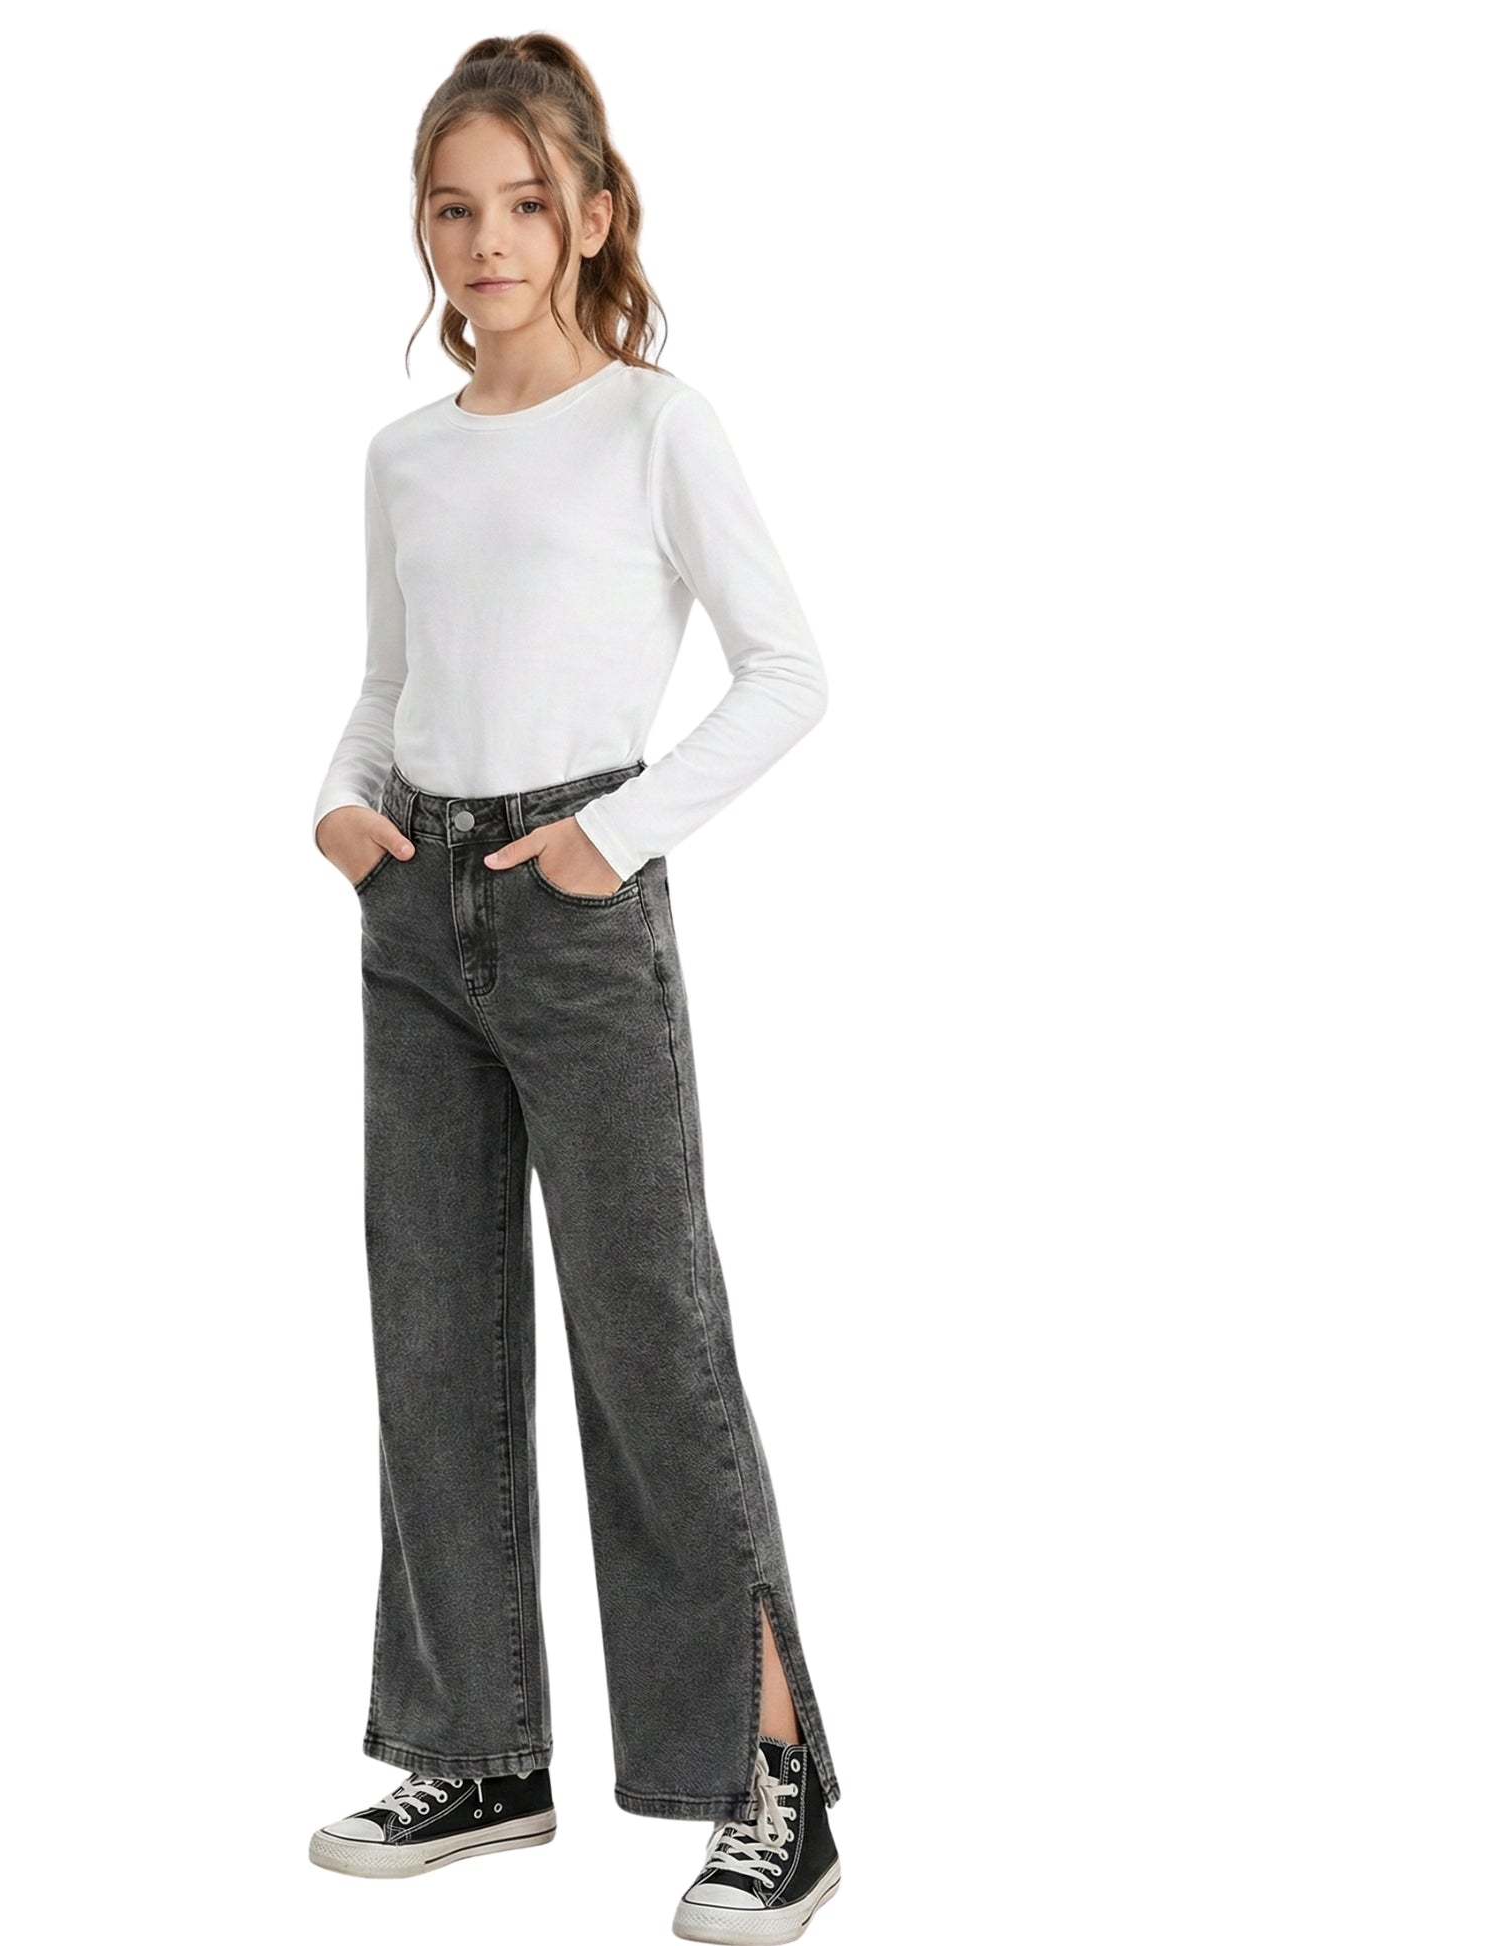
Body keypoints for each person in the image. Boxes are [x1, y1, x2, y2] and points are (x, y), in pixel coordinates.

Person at [305, 33, 843, 1943]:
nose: (487, 240)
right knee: (434, 1335)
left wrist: (614, 836)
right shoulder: (405, 454)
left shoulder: (652, 426)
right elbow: (389, 680)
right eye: (452, 208)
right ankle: (480, 1749)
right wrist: (343, 808)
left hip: (574, 907)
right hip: (411, 909)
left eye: (525, 204)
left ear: (593, 214)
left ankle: (772, 1776)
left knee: (649, 1344)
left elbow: (788, 671)